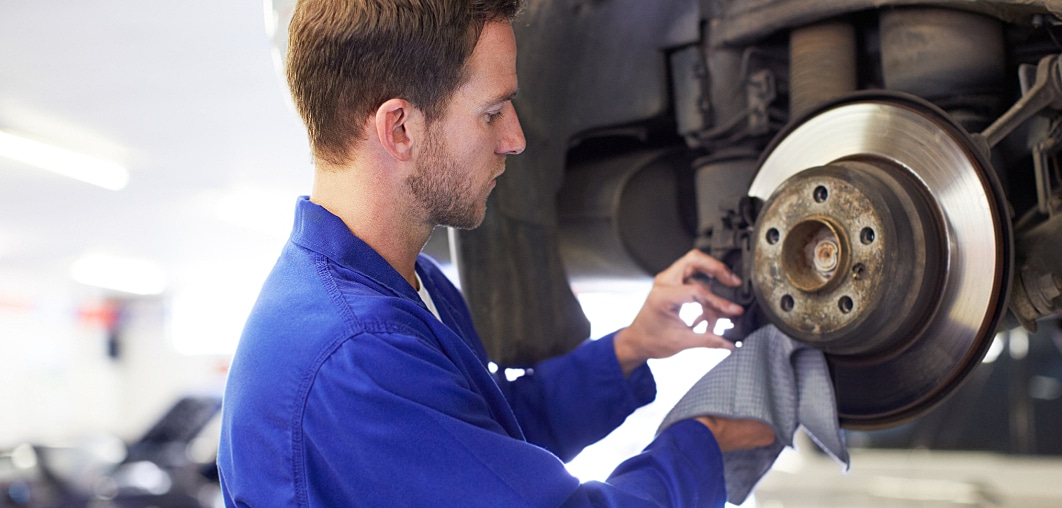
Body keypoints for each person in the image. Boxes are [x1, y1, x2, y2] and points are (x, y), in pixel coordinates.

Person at [216, 0, 775, 506]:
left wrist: (630, 348)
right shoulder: (356, 357)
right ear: (400, 127)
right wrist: (702, 443)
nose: (515, 138)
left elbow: (484, 438)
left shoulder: (408, 284)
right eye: (492, 112)